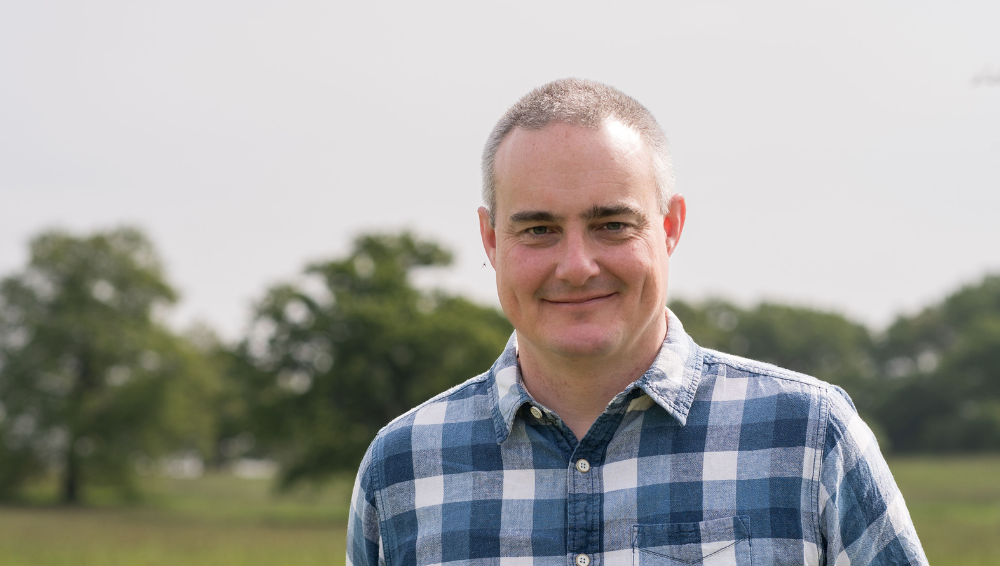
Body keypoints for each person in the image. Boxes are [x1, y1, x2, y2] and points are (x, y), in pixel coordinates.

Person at [347, 79, 927, 566]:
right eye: (538, 229)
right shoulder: (401, 467)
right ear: (491, 240)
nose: (576, 266)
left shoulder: (809, 437)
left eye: (612, 224)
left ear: (670, 226)